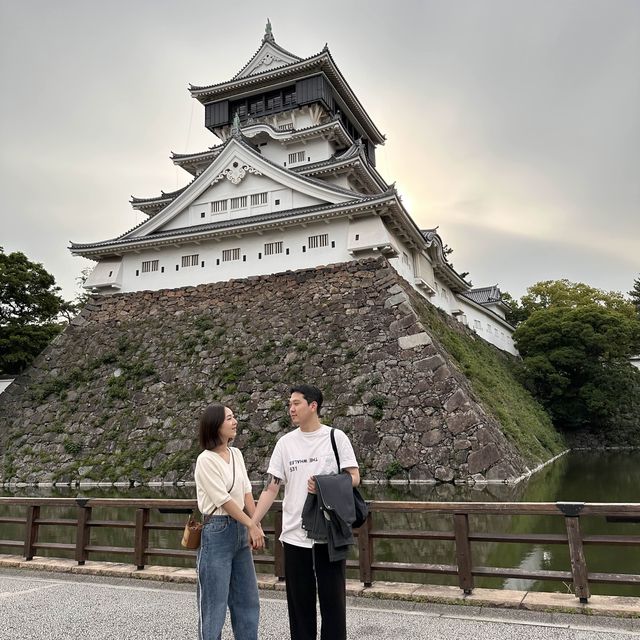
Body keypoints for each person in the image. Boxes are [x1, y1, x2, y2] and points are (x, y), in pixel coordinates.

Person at [252, 384, 360, 640]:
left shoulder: (336, 437)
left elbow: (354, 477)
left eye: (296, 403)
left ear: (313, 406)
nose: (291, 409)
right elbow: (271, 488)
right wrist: (253, 522)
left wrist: (325, 483)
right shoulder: (285, 443)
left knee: (333, 606)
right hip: (293, 536)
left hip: (328, 535)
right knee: (300, 608)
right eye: (290, 404)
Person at [194, 404, 264, 640]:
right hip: (216, 530)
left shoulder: (237, 455)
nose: (235, 421)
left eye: (234, 417)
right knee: (214, 604)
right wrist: (251, 525)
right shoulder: (205, 460)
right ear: (216, 426)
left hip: (239, 529)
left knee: (247, 599)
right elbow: (224, 500)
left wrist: (256, 524)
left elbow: (246, 492)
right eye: (229, 418)